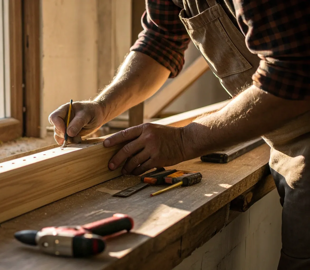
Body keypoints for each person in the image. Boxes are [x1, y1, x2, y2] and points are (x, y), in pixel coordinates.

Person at [49, 1, 309, 269]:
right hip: (284, 137)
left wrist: (184, 141)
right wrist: (103, 106)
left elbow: (294, 73)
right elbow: (160, 41)